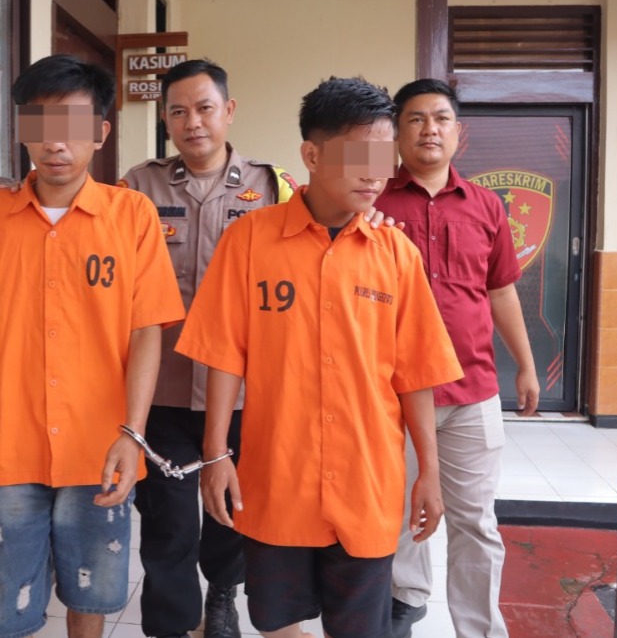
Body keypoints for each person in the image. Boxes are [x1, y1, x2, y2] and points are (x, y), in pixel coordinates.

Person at [176, 76, 464, 638]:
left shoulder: (396, 254)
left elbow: (416, 374)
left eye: (383, 157)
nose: (375, 174)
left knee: (358, 625)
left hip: (367, 483)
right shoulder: (250, 241)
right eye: (358, 157)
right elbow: (223, 354)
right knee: (275, 619)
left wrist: (429, 472)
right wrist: (215, 454)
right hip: (278, 477)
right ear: (311, 155)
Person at [0, 54, 185, 638]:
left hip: (100, 443)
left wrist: (133, 434)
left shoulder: (132, 215)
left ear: (100, 133)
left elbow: (146, 331)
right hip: (9, 440)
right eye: (41, 125)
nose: (56, 143)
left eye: (74, 127)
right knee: (6, 602)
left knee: (93, 589)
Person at [119, 58, 296, 638]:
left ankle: (222, 596)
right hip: (162, 389)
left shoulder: (274, 188)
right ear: (165, 119)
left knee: (229, 510)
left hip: (243, 390)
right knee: (168, 522)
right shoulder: (136, 187)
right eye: (178, 111)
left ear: (229, 111)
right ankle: (172, 623)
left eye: (204, 108)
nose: (192, 122)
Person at [374, 78, 541, 638]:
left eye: (441, 118)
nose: (430, 129)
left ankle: (480, 629)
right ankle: (403, 605)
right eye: (416, 118)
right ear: (397, 132)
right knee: (398, 513)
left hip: (472, 390)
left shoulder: (487, 205)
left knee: (476, 522)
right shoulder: (372, 201)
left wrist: (526, 364)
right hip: (393, 393)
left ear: (458, 132)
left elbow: (501, 291)